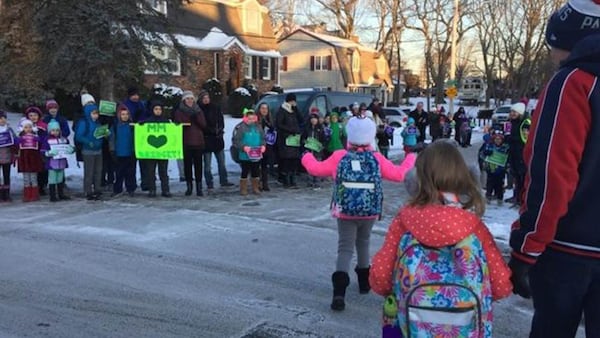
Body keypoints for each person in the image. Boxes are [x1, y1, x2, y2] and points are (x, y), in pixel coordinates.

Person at [509, 2, 600, 337]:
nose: (551, 57)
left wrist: (526, 248)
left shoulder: (573, 82)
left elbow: (552, 177)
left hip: (569, 250)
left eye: (554, 47)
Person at [370, 141, 512, 336]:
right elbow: (502, 285)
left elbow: (380, 278)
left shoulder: (404, 222)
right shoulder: (474, 228)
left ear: (417, 179)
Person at [301, 116, 417, 311]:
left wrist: (306, 156)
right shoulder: (376, 158)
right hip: (369, 210)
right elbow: (399, 175)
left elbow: (316, 169)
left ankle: (339, 292)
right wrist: (411, 157)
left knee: (344, 248)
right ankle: (364, 284)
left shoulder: (340, 157)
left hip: (345, 211)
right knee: (364, 243)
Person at [173, 90, 207, 196]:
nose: (190, 100)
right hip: (186, 142)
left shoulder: (198, 110)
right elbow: (177, 124)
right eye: (187, 98)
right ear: (184, 100)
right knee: (187, 166)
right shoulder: (179, 111)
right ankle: (189, 186)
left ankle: (199, 187)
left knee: (198, 166)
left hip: (198, 142)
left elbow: (203, 124)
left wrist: (196, 118)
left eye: (191, 98)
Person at [198, 90, 233, 191]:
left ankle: (224, 180)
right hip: (206, 139)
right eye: (204, 98)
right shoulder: (199, 110)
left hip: (217, 139)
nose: (206, 100)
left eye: (207, 98)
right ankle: (209, 182)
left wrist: (220, 129)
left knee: (221, 162)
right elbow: (201, 124)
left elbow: (221, 120)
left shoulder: (215, 108)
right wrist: (209, 130)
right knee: (207, 165)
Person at [75, 104, 107, 200]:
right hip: (88, 151)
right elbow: (79, 136)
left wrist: (106, 134)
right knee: (89, 172)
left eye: (97, 113)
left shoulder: (98, 123)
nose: (96, 115)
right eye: (93, 113)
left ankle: (97, 189)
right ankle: (88, 190)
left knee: (98, 171)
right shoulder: (84, 123)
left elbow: (100, 134)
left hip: (98, 150)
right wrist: (88, 142)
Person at [142, 102, 172, 198]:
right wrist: (140, 126)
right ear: (152, 110)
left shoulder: (166, 121)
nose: (158, 111)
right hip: (151, 151)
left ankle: (165, 190)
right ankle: (152, 190)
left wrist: (175, 126)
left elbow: (171, 133)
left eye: (159, 109)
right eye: (156, 109)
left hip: (163, 151)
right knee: (151, 171)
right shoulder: (148, 121)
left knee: (163, 171)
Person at [233, 109, 265, 195]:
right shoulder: (242, 128)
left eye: (253, 118)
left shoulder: (258, 127)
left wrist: (263, 146)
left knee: (256, 171)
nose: (251, 120)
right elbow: (236, 140)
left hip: (256, 154)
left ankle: (255, 187)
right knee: (245, 171)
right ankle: (243, 188)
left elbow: (263, 138)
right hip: (245, 155)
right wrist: (243, 147)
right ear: (246, 118)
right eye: (249, 118)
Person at [42, 119, 74, 202]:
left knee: (60, 178)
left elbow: (69, 147)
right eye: (53, 130)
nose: (55, 132)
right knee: (52, 179)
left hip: (61, 162)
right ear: (49, 131)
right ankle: (52, 196)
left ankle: (61, 194)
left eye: (57, 130)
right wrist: (49, 153)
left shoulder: (63, 139)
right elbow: (42, 151)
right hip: (52, 163)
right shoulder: (47, 140)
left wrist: (71, 149)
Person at [109, 104, 136, 197]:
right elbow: (112, 139)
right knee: (119, 174)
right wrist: (112, 151)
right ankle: (117, 189)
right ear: (119, 115)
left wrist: (134, 150)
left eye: (126, 114)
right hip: (119, 153)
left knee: (130, 173)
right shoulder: (115, 126)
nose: (125, 116)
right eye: (123, 114)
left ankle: (131, 189)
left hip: (130, 153)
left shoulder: (132, 126)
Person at [275, 93, 302, 189]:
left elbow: (301, 119)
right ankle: (286, 180)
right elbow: (279, 124)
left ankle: (293, 179)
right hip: (285, 139)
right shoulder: (282, 110)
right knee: (287, 159)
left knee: (294, 159)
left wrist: (296, 109)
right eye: (292, 101)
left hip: (294, 139)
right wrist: (290, 130)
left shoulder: (293, 110)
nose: (293, 102)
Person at [504, 102, 526, 206]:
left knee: (522, 176)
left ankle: (522, 198)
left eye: (514, 112)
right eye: (511, 111)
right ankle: (516, 196)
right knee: (515, 176)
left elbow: (525, 139)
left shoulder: (525, 123)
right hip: (513, 152)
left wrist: (510, 138)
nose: (512, 113)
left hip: (521, 153)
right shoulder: (511, 123)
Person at [16, 118, 43, 202]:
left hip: (33, 160)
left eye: (30, 127)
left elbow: (40, 143)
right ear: (22, 128)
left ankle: (35, 194)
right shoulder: (20, 137)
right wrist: (19, 140)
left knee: (33, 177)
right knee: (26, 178)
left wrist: (37, 139)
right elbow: (16, 144)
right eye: (26, 127)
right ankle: (27, 194)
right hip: (24, 160)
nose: (28, 129)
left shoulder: (35, 137)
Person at [25, 106, 48, 196]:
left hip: (41, 150)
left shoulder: (43, 126)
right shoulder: (25, 127)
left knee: (42, 169)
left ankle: (42, 186)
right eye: (31, 115)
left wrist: (43, 146)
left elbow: (46, 138)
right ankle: (33, 186)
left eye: (35, 115)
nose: (33, 117)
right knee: (33, 169)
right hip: (30, 152)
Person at [482, 132, 509, 205]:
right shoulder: (489, 146)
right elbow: (482, 154)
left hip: (501, 170)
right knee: (490, 184)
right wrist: (486, 153)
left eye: (499, 139)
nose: (498, 141)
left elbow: (508, 157)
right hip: (490, 168)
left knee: (499, 185)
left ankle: (499, 198)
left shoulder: (505, 147)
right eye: (496, 139)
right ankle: (488, 197)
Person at [301, 110, 326, 189]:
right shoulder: (307, 128)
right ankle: (310, 182)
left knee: (317, 166)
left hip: (317, 151)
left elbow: (324, 140)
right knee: (309, 167)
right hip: (309, 151)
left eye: (315, 118)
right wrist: (305, 142)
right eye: (312, 118)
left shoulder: (321, 129)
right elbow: (302, 138)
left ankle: (317, 182)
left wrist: (321, 145)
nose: (313, 120)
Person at [258, 103, 276, 191]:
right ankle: (258, 183)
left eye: (266, 108)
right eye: (262, 108)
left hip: (267, 145)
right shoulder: (256, 119)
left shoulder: (270, 119)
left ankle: (265, 183)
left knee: (264, 165)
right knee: (258, 165)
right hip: (258, 145)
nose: (264, 110)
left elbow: (273, 130)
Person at [0, 111, 17, 202]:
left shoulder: (9, 129)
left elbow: (15, 140)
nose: (2, 120)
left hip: (7, 155)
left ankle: (7, 193)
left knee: (6, 175)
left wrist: (14, 142)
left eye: (4, 118)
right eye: (0, 118)